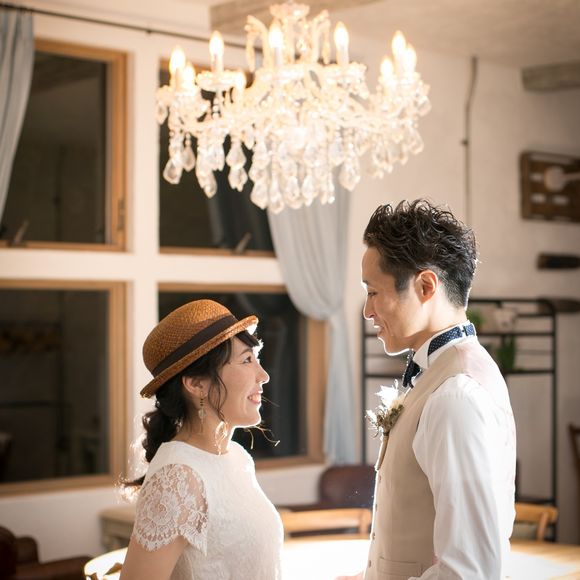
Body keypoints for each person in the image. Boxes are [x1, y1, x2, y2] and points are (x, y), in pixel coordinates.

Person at [343, 200, 516, 579]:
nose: (367, 311)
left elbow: (467, 573)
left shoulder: (456, 395)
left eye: (373, 292)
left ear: (425, 286)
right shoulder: (442, 374)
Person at [120, 299, 283, 580]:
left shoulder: (237, 456)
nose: (264, 375)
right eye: (246, 360)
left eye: (257, 359)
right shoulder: (178, 478)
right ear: (196, 384)